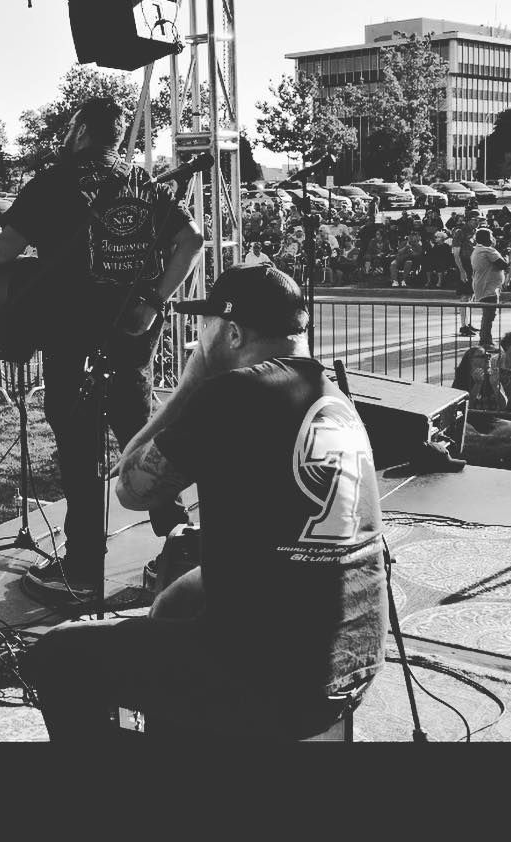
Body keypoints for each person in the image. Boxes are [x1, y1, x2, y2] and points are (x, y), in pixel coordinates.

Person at [24, 264, 387, 740]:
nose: (198, 337)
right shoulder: (333, 398)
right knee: (179, 605)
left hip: (272, 676)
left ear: (232, 332)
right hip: (351, 660)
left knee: (58, 656)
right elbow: (300, 545)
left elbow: (131, 489)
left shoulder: (233, 391)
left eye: (206, 325)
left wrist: (194, 378)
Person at [0, 95, 204, 607]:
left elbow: (1, 250)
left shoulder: (55, 182)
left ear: (83, 131)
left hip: (74, 339)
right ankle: (183, 550)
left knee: (80, 451)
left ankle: (84, 570)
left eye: (72, 128)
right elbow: (193, 239)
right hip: (132, 337)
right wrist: (154, 302)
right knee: (141, 433)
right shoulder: (142, 184)